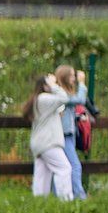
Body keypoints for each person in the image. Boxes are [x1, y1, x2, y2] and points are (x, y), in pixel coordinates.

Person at [27, 65, 84, 200]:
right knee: (64, 168)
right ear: (45, 85)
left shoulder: (39, 100)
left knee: (43, 175)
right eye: (50, 83)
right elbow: (63, 98)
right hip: (49, 143)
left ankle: (39, 202)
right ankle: (65, 201)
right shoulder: (44, 98)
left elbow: (50, 115)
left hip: (40, 143)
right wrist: (54, 85)